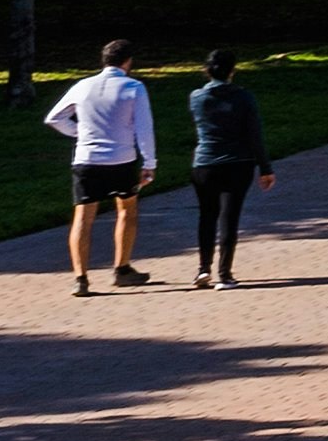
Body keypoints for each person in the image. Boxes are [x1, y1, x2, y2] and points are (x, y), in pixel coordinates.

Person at [43, 38, 158, 297]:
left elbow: (53, 118)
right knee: (127, 210)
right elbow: (144, 128)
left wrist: (79, 132)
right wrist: (149, 162)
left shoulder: (82, 86)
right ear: (128, 62)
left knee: (83, 217)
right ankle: (122, 268)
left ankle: (81, 278)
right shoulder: (134, 87)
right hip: (122, 159)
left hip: (86, 159)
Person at [185, 51, 276, 289]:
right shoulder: (244, 97)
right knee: (229, 217)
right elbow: (254, 135)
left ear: (206, 70)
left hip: (204, 163)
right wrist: (265, 168)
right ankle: (225, 274)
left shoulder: (196, 97)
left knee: (207, 215)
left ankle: (203, 269)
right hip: (238, 163)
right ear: (232, 71)